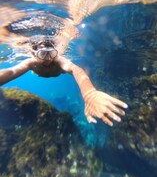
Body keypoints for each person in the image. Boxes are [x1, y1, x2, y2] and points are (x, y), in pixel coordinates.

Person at [0, 32, 128, 126]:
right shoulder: (30, 63)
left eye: (51, 53)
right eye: (42, 54)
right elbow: (12, 71)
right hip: (37, 73)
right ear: (33, 53)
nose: (48, 58)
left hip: (57, 73)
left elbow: (75, 69)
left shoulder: (58, 61)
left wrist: (90, 94)